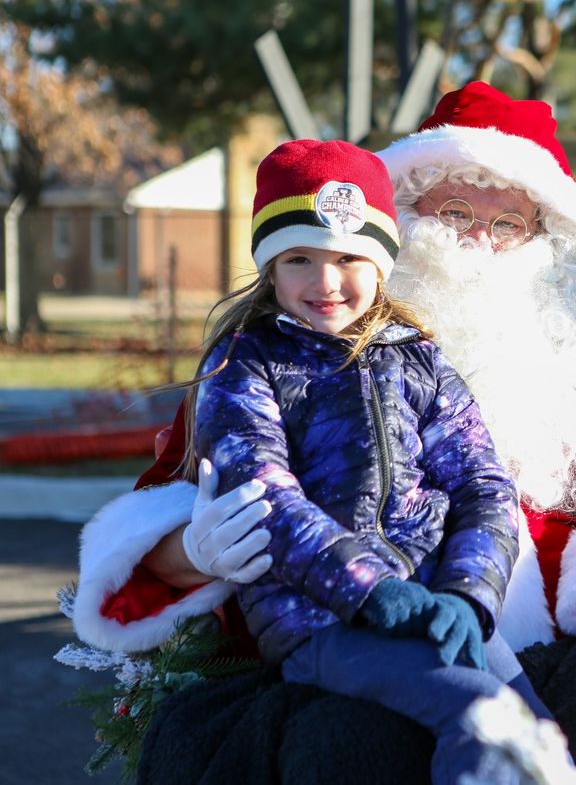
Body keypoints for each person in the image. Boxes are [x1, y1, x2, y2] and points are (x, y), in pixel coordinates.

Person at [72, 81, 576, 740]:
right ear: (402, 223)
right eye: (453, 214)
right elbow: (163, 529)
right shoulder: (272, 361)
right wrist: (191, 551)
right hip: (332, 651)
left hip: (544, 658)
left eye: (508, 225)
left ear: (547, 244)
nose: (479, 243)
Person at [170, 137, 542, 785]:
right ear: (269, 267)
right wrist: (376, 592)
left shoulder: (419, 359)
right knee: (484, 715)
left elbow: (484, 484)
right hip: (324, 620)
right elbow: (265, 495)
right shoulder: (246, 363)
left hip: (435, 605)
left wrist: (468, 595)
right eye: (299, 259)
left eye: (348, 257)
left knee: (539, 733)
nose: (325, 281)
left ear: (381, 261)